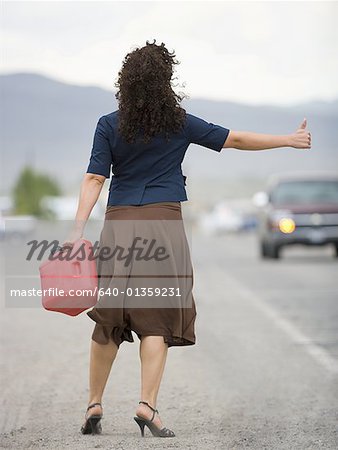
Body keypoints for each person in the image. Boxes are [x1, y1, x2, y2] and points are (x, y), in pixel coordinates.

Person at [62, 40, 311, 438]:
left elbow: (94, 177)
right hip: (164, 223)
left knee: (109, 318)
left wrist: (77, 230)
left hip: (120, 223)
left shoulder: (108, 124)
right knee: (156, 319)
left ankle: (94, 403)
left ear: (125, 82)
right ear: (166, 81)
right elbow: (235, 139)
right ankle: (146, 406)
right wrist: (288, 139)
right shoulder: (178, 122)